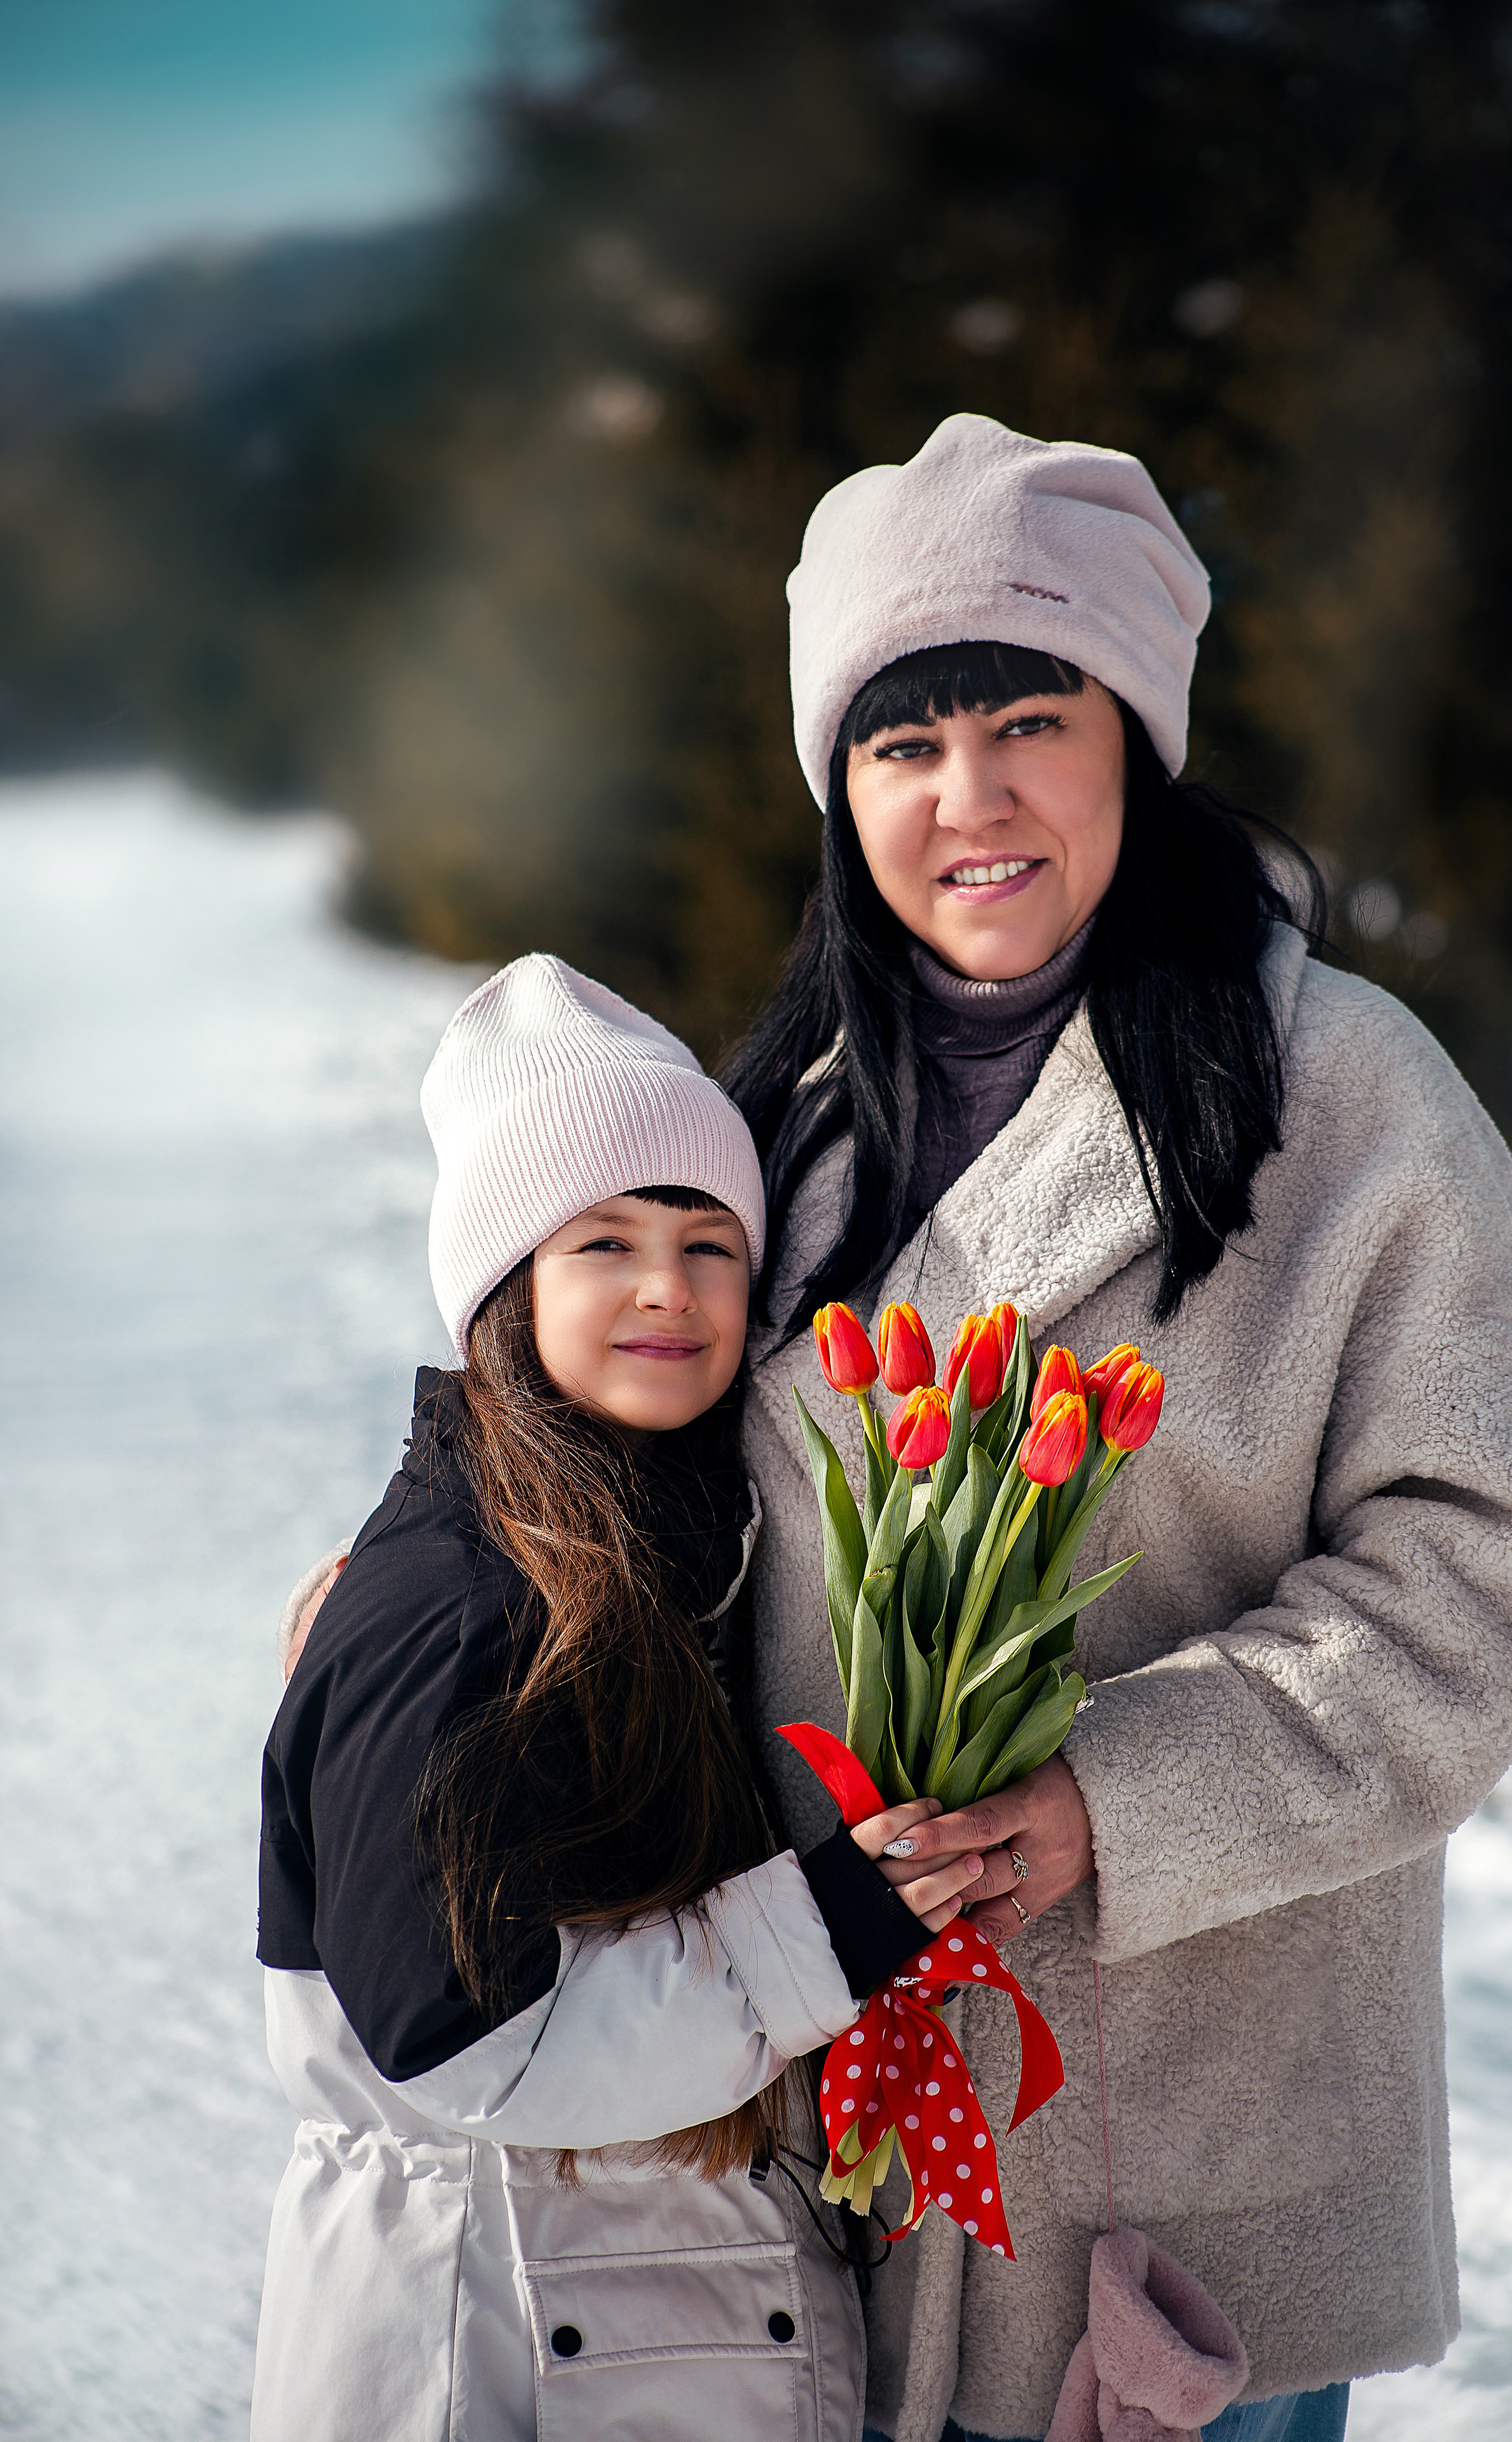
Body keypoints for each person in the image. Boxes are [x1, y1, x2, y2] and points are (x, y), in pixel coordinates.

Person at [721, 414, 1512, 2442]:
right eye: (900, 746)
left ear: (1137, 736)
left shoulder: (1340, 1096)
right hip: (836, 2165)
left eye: (1031, 719)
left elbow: (1489, 1568)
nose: (971, 799)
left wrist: (1112, 1800)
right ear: (839, 788)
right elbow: (644, 1471)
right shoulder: (787, 1130)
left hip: (1191, 2164)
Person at [252, 953, 999, 2442]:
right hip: (489, 2338)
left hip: (617, 2313)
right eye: (602, 1242)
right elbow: (476, 2045)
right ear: (503, 1288)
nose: (668, 1287)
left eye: (708, 1243)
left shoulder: (649, 1551)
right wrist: (835, 1926)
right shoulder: (466, 1612)